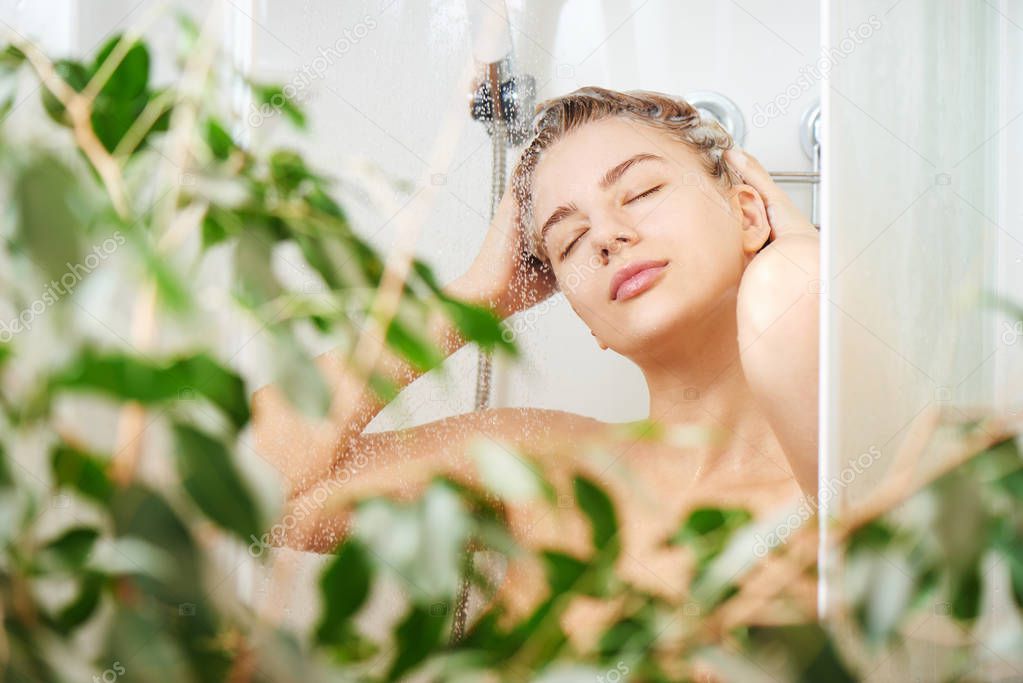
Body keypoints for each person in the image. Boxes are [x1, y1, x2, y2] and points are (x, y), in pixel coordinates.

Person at [250, 86, 821, 635]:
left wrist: (799, 264)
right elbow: (261, 489)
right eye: (569, 240)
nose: (607, 236)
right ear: (584, 319)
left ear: (749, 215)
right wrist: (479, 296)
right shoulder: (542, 467)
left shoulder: (847, 474)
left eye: (642, 192)